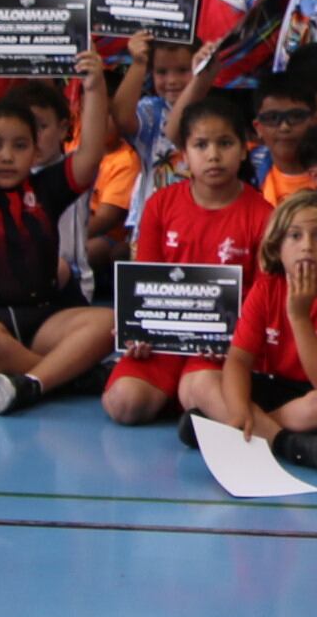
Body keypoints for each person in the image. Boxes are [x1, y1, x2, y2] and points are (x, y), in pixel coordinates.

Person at [0, 56, 119, 415]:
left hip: (42, 319)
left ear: (35, 150)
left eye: (20, 145)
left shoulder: (46, 189)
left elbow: (89, 154)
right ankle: (64, 376)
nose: (7, 156)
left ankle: (28, 383)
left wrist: (94, 85)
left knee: (109, 322)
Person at [73, 95, 272, 426]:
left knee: (199, 393)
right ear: (184, 155)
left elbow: (264, 295)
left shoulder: (264, 215)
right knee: (124, 404)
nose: (213, 155)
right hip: (163, 342)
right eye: (201, 144)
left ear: (243, 148)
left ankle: (201, 409)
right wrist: (137, 332)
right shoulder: (160, 205)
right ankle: (177, 402)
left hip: (224, 345)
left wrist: (235, 341)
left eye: (225, 143)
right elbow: (145, 282)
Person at [189, 191, 317, 468]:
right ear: (277, 246)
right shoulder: (266, 288)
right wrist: (237, 412)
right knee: (200, 381)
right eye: (295, 236)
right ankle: (285, 443)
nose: (307, 246)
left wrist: (299, 316)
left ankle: (232, 431)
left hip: (309, 395)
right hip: (270, 384)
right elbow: (238, 360)